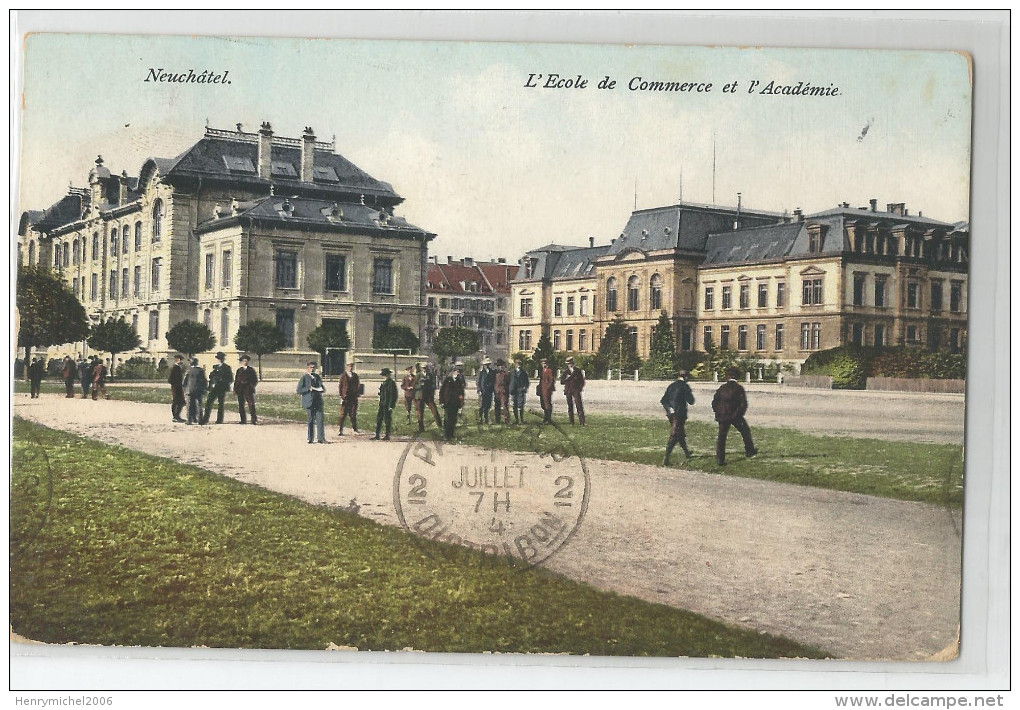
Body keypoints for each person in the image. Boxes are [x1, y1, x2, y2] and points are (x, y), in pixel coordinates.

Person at [712, 366, 758, 466]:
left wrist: (718, 412)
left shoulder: (722, 388)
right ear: (736, 376)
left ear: (728, 376)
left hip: (723, 416)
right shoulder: (739, 388)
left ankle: (720, 459)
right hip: (735, 416)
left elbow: (714, 402)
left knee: (721, 437)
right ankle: (750, 451)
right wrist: (738, 415)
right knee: (745, 431)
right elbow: (743, 404)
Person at [661, 369, 696, 465]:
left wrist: (669, 409)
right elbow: (691, 401)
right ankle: (666, 458)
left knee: (680, 433)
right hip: (680, 414)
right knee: (675, 435)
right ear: (685, 377)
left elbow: (663, 400)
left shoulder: (671, 386)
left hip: (671, 414)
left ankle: (687, 453)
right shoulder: (685, 386)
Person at [297, 360, 328, 444]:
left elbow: (322, 387)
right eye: (311, 368)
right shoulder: (304, 378)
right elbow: (299, 390)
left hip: (318, 401)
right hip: (309, 402)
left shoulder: (317, 377)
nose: (312, 369)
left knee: (320, 420)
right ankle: (310, 438)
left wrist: (321, 389)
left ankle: (321, 438)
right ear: (307, 368)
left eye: (314, 368)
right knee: (310, 420)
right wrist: (308, 389)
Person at [202, 352, 233, 425]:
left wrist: (222, 381)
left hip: (221, 388)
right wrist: (212, 381)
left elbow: (230, 379)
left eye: (221, 358)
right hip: (214, 388)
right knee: (208, 403)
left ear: (223, 359)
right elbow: (211, 377)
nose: (219, 360)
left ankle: (219, 420)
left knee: (221, 404)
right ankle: (205, 419)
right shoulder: (215, 367)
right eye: (218, 358)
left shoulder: (227, 368)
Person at [439, 362, 466, 441]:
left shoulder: (459, 381)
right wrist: (442, 402)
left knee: (454, 419)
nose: (457, 373)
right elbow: (442, 391)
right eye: (456, 371)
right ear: (453, 372)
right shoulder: (447, 380)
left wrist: (461, 403)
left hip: (455, 403)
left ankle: (451, 434)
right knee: (447, 418)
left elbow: (461, 393)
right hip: (448, 402)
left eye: (458, 371)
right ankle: (446, 435)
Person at [416, 363, 443, 432]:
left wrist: (431, 388)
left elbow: (434, 385)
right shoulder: (418, 375)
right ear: (421, 368)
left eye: (425, 367)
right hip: (420, 395)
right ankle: (421, 428)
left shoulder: (430, 375)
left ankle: (439, 425)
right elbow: (414, 385)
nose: (424, 369)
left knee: (434, 410)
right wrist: (420, 385)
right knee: (420, 412)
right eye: (423, 368)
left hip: (428, 396)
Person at [373, 367, 398, 440]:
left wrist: (391, 405)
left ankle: (387, 435)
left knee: (387, 420)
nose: (384, 377)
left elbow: (393, 395)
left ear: (388, 375)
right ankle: (377, 435)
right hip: (382, 403)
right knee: (379, 419)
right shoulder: (383, 383)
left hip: (387, 404)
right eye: (383, 375)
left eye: (385, 375)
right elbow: (382, 393)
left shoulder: (391, 383)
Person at [560, 356, 586, 425]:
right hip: (568, 390)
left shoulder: (577, 371)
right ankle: (571, 422)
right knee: (570, 406)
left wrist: (580, 388)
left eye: (571, 363)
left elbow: (582, 381)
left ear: (573, 363)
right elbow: (562, 381)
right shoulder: (565, 372)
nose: (570, 364)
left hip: (576, 390)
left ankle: (582, 422)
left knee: (579, 405)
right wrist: (567, 379)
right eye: (568, 363)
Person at [337, 361, 361, 436]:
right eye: (349, 366)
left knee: (353, 414)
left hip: (353, 398)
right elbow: (340, 387)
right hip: (345, 398)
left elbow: (358, 386)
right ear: (346, 367)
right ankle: (340, 430)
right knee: (343, 415)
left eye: (351, 366)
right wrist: (342, 396)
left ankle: (355, 429)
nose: (350, 368)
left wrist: (357, 394)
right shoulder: (343, 376)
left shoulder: (355, 376)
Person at [234, 354, 259, 425]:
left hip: (248, 389)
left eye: (246, 361)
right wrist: (235, 389)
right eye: (244, 361)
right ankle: (243, 420)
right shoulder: (239, 370)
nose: (245, 362)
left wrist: (251, 386)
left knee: (251, 404)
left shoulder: (251, 370)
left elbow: (255, 380)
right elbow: (236, 380)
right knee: (241, 405)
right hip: (240, 389)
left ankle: (254, 420)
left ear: (248, 362)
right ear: (242, 362)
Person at [183, 358, 207, 423]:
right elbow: (204, 381)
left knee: (190, 406)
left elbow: (185, 382)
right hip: (199, 390)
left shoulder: (189, 370)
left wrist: (185, 389)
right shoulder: (201, 370)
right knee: (199, 405)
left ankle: (190, 420)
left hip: (190, 390)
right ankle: (200, 420)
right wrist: (205, 389)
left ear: (191, 363)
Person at [509, 358, 530, 424]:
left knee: (521, 405)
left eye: (520, 364)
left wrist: (525, 387)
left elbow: (527, 382)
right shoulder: (512, 372)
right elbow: (509, 381)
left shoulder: (523, 372)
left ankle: (521, 420)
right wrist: (510, 389)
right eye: (517, 363)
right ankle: (516, 420)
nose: (518, 365)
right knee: (514, 405)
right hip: (514, 390)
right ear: (515, 364)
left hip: (521, 390)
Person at [168, 354, 187, 422]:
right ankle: (175, 416)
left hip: (179, 386)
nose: (176, 359)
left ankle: (177, 416)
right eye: (176, 358)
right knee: (176, 400)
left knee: (181, 401)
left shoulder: (180, 367)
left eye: (178, 358)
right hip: (176, 386)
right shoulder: (175, 367)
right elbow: (171, 379)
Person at [477, 357, 496, 424]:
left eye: (488, 364)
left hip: (489, 391)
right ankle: (480, 418)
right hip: (483, 391)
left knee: (488, 405)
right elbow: (478, 381)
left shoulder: (492, 372)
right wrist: (479, 390)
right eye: (486, 364)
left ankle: (486, 419)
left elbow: (493, 381)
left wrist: (493, 389)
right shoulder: (481, 372)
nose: (487, 365)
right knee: (482, 405)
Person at [493, 359, 511, 424]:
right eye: (499, 366)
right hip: (497, 392)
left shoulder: (506, 374)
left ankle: (507, 420)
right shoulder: (495, 373)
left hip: (504, 392)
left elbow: (509, 383)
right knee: (497, 406)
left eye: (501, 365)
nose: (500, 367)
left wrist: (507, 391)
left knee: (505, 406)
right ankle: (497, 420)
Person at [539, 358, 556, 424]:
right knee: (543, 404)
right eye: (542, 363)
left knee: (547, 404)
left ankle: (548, 419)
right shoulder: (543, 370)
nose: (543, 364)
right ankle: (546, 418)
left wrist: (548, 388)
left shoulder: (549, 370)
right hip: (542, 390)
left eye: (545, 363)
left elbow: (551, 380)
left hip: (547, 390)